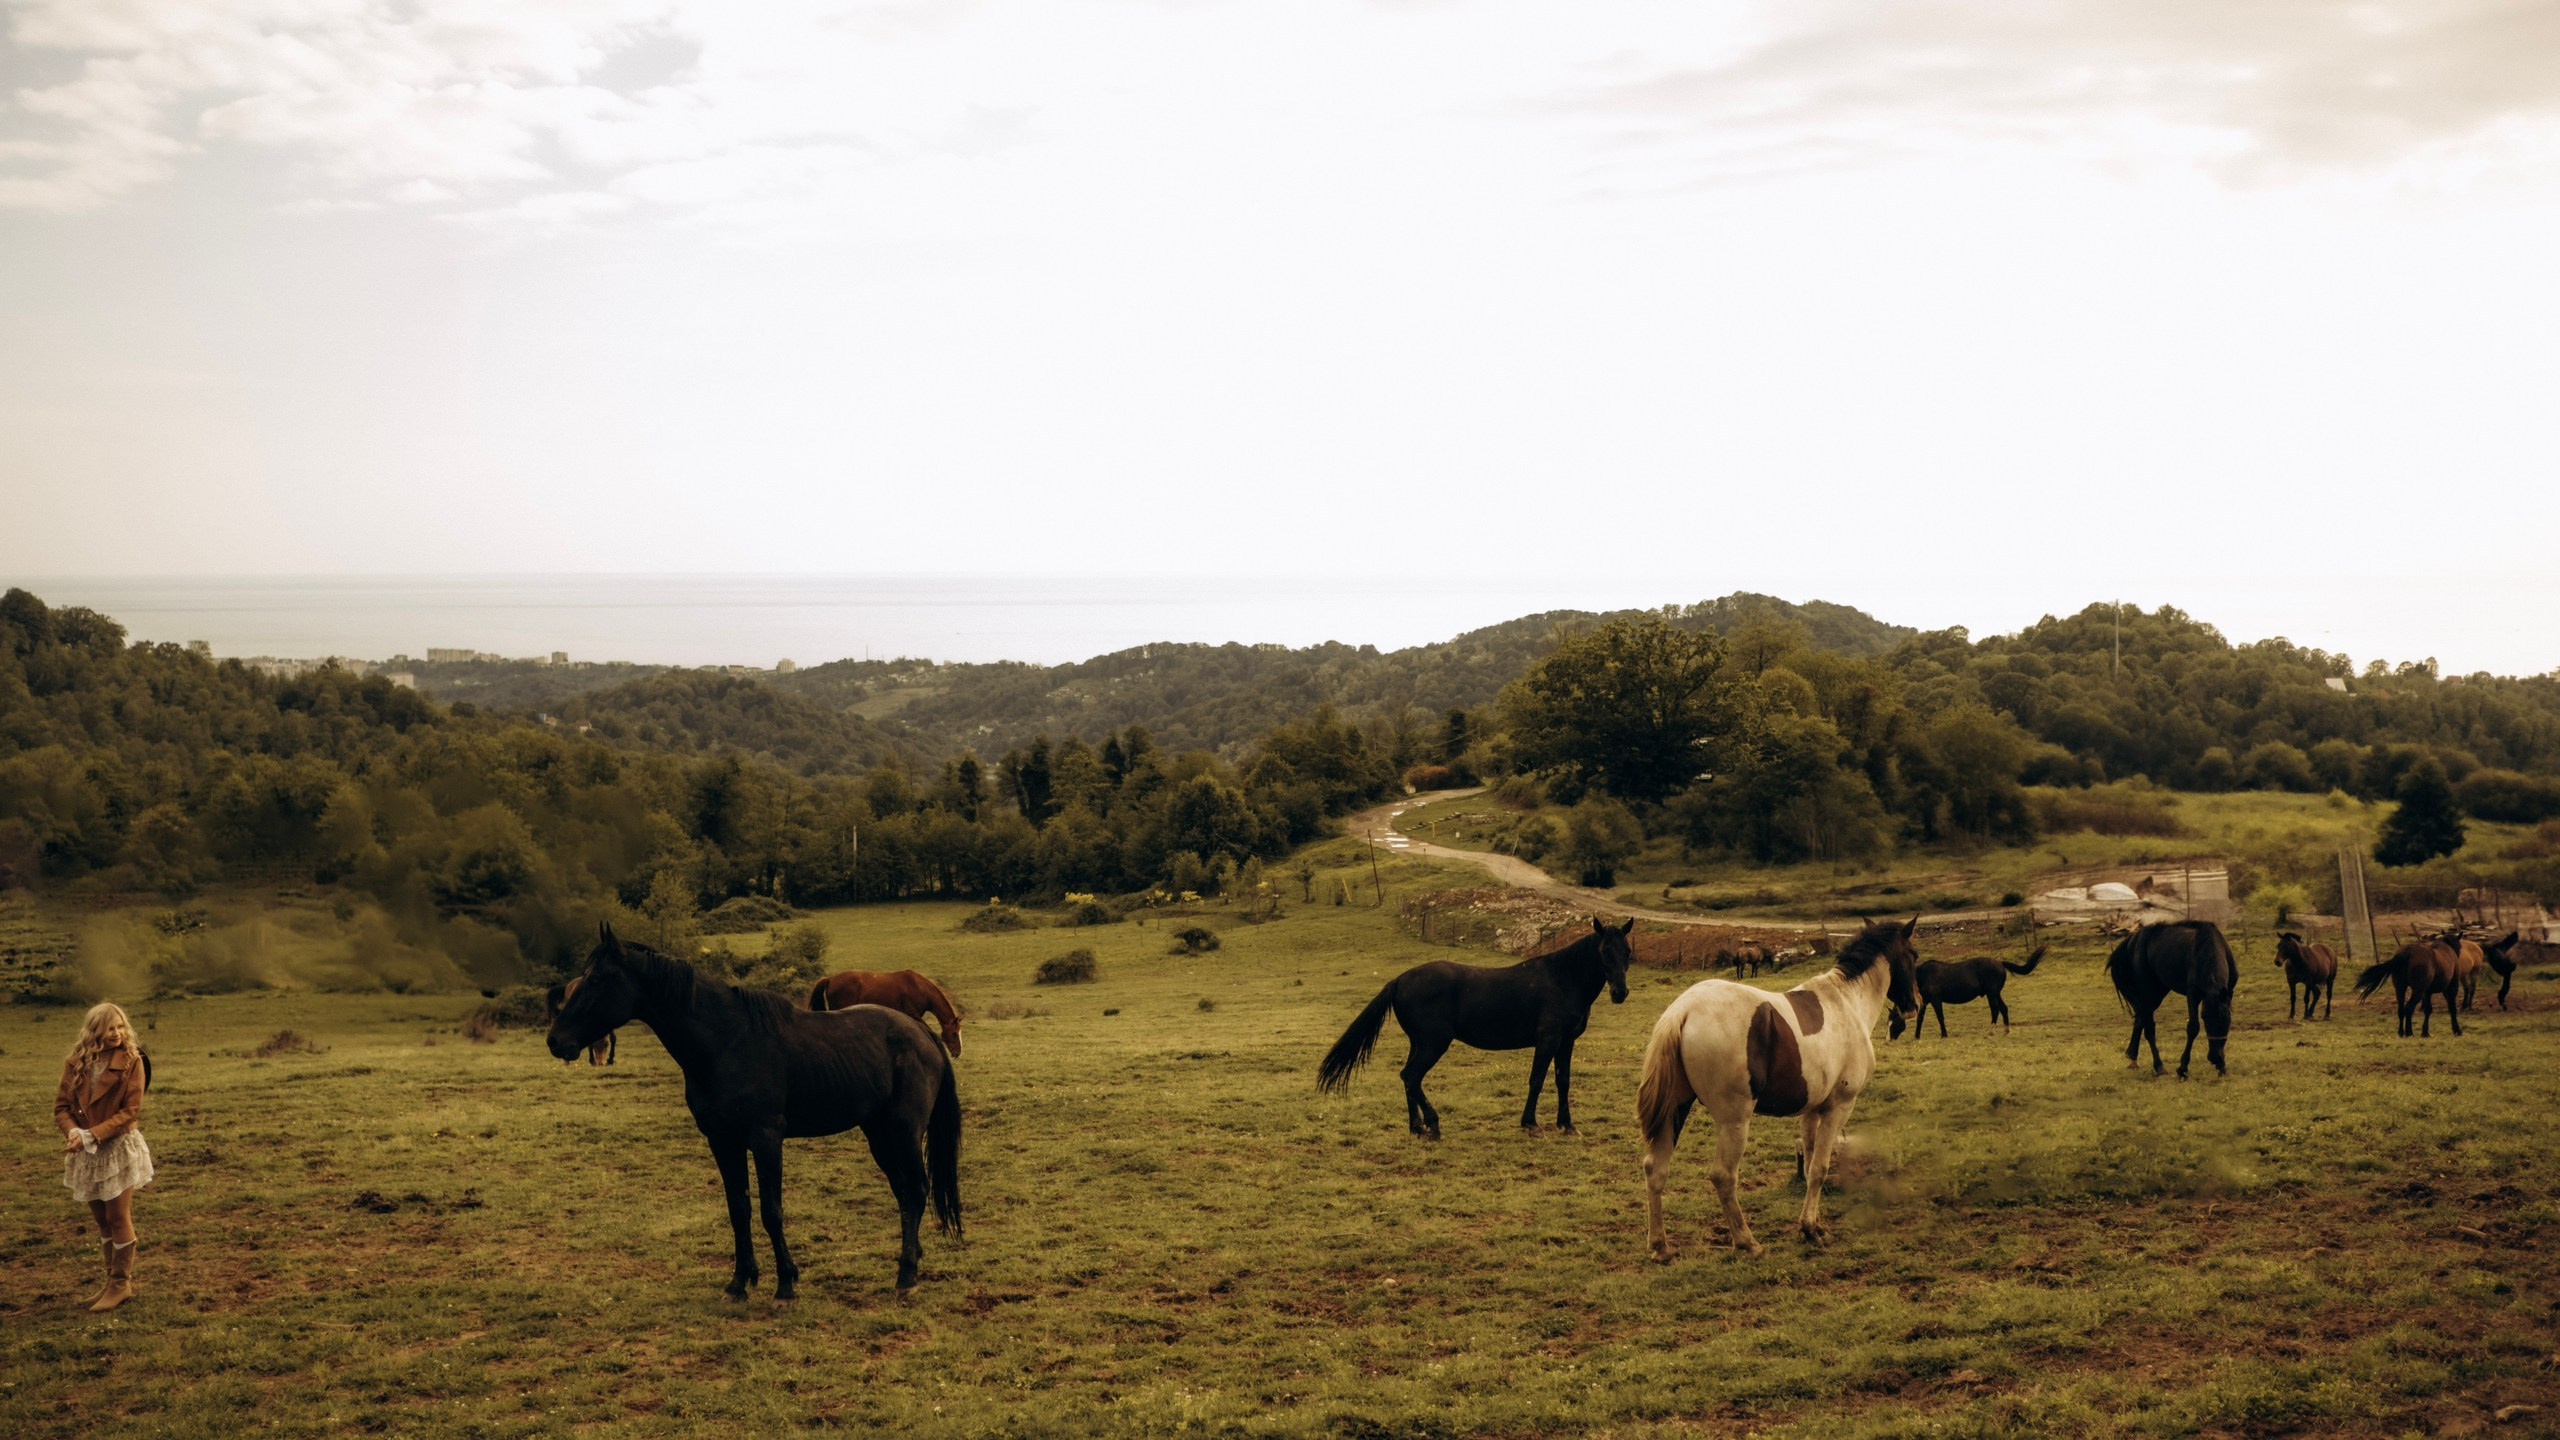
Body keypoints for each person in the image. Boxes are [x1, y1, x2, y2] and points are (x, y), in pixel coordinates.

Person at [54, 1002, 154, 1312]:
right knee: (101, 1220)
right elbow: (62, 1107)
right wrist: (74, 1132)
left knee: (117, 1216)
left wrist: (94, 1134)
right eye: (110, 1028)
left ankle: (121, 1284)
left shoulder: (132, 1060)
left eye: (121, 1026)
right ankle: (110, 1281)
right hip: (86, 1150)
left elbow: (130, 1111)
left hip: (117, 1147)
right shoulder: (76, 1062)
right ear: (95, 1030)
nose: (117, 1033)